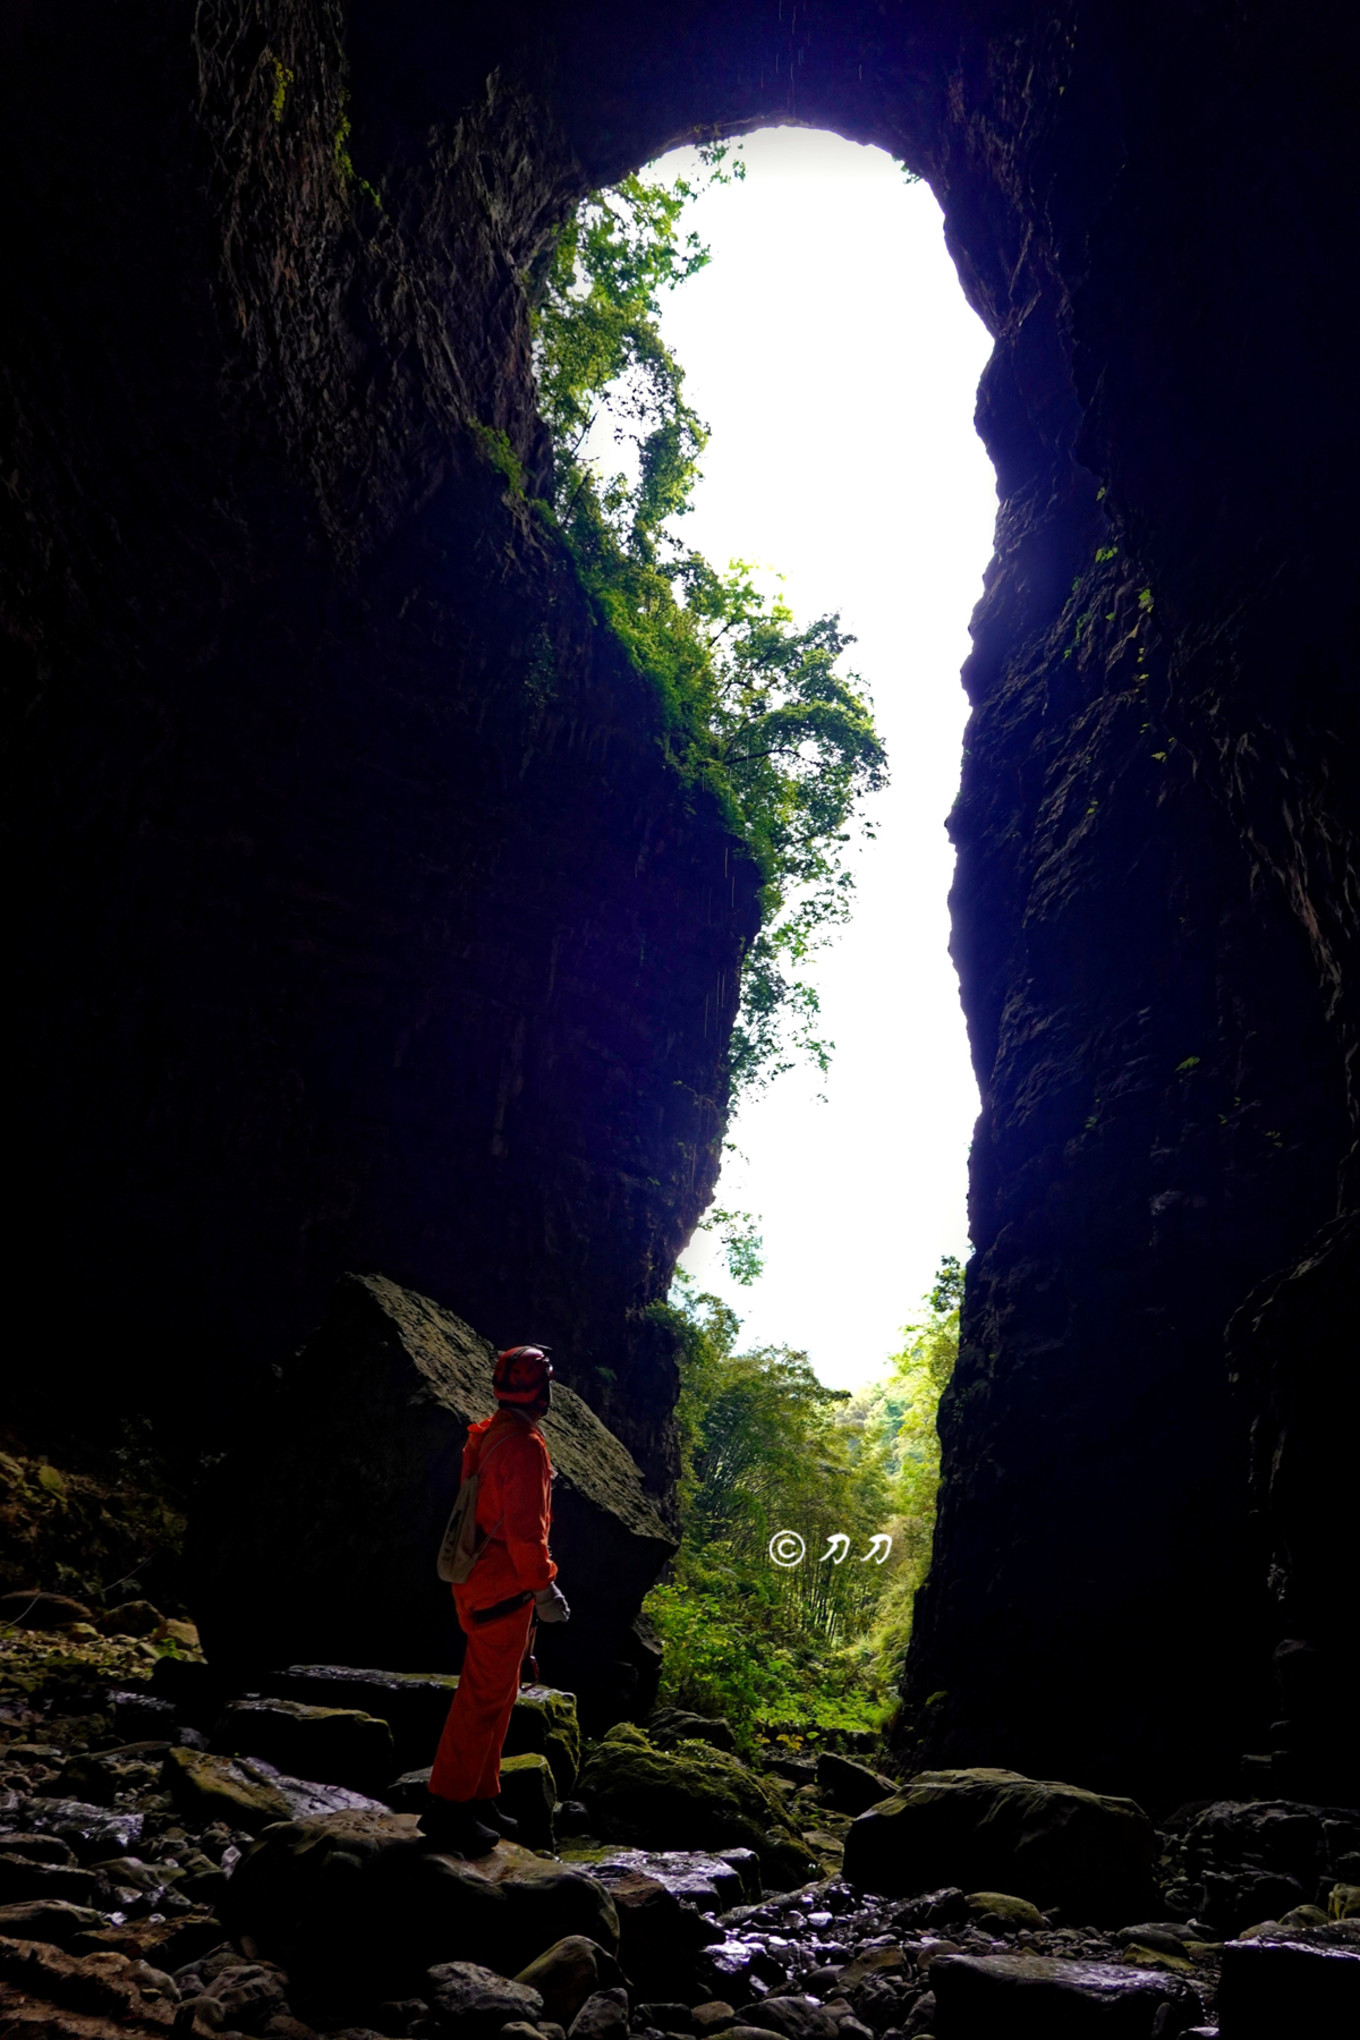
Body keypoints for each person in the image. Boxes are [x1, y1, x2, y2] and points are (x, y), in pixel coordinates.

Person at [420, 1344, 570, 1851]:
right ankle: (448, 1807)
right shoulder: (524, 1445)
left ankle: (481, 1797)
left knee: (498, 1696)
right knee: (481, 1701)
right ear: (541, 1391)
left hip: (476, 1579)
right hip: (502, 1586)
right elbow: (527, 1533)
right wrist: (543, 1585)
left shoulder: (487, 1433)